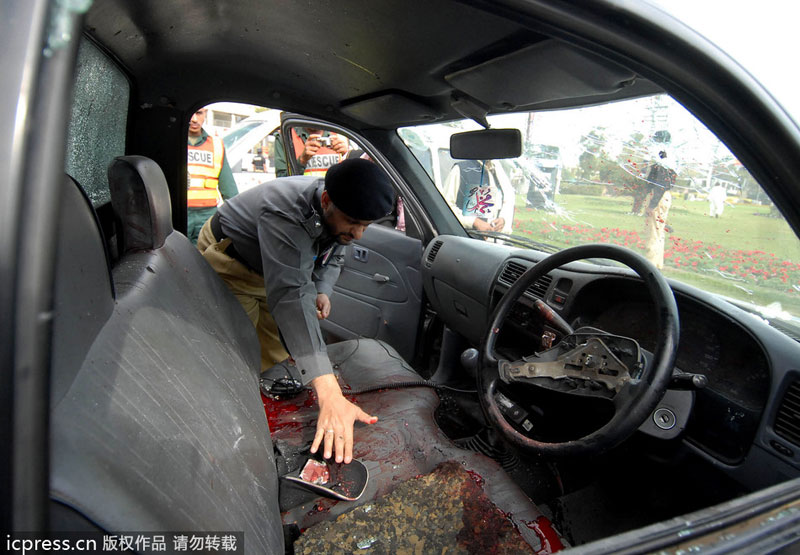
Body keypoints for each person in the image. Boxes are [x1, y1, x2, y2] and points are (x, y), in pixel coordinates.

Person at [196, 158, 395, 464]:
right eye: (354, 223)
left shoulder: (337, 210)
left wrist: (322, 289)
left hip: (273, 270)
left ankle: (265, 405)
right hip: (233, 259)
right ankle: (225, 427)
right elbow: (289, 294)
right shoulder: (286, 213)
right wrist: (328, 391)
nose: (359, 235)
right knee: (238, 348)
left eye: (366, 226)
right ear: (326, 200)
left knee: (275, 352)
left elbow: (334, 252)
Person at [187, 108, 238, 244]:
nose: (194, 119)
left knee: (205, 258)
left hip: (207, 215)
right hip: (180, 212)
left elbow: (229, 188)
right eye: (191, 113)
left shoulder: (216, 145)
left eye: (199, 113)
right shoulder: (173, 142)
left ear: (205, 114)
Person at [440, 159, 515, 234]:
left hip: (492, 241)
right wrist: (474, 222)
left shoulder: (497, 171)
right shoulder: (462, 169)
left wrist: (502, 220)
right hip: (466, 239)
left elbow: (507, 201)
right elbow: (445, 207)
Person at [273, 126, 349, 177]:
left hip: (331, 198)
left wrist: (347, 155)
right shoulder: (285, 136)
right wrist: (302, 160)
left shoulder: (340, 134)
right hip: (301, 198)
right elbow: (282, 180)